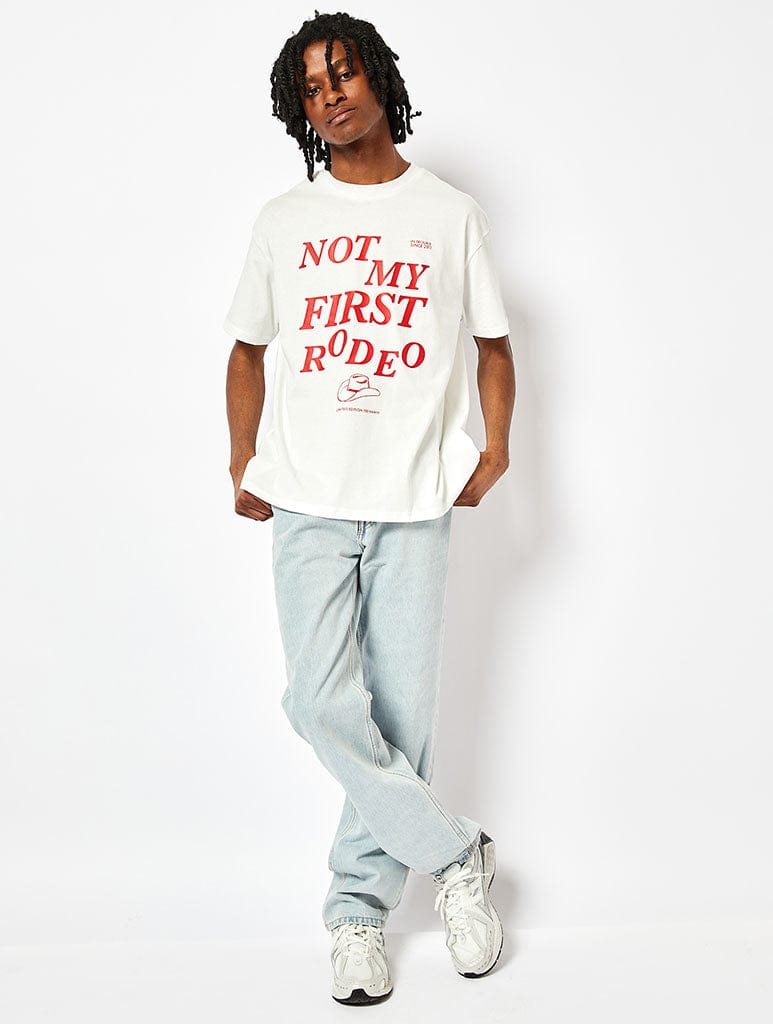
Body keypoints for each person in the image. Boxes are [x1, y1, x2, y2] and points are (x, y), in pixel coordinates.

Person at [223, 10, 516, 1006]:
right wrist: (241, 460)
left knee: (400, 714)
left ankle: (355, 913)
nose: (330, 96)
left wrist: (495, 448)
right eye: (310, 88)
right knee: (317, 699)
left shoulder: (448, 213)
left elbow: (491, 346)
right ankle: (457, 850)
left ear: (379, 79)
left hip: (412, 495)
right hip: (306, 492)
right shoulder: (283, 219)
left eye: (342, 74)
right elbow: (247, 350)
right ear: (298, 110)